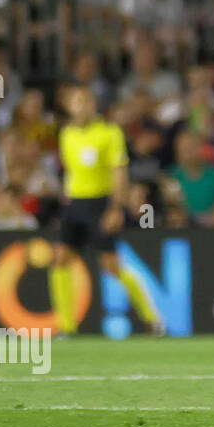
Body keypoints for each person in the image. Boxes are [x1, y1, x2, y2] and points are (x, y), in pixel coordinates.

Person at [49, 86, 162, 336]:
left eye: (87, 101)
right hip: (75, 204)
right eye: (77, 101)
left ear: (94, 105)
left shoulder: (109, 133)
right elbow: (70, 170)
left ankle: (153, 318)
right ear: (69, 107)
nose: (82, 106)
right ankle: (66, 327)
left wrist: (116, 208)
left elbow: (119, 172)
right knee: (60, 260)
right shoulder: (66, 134)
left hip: (100, 204)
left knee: (111, 265)